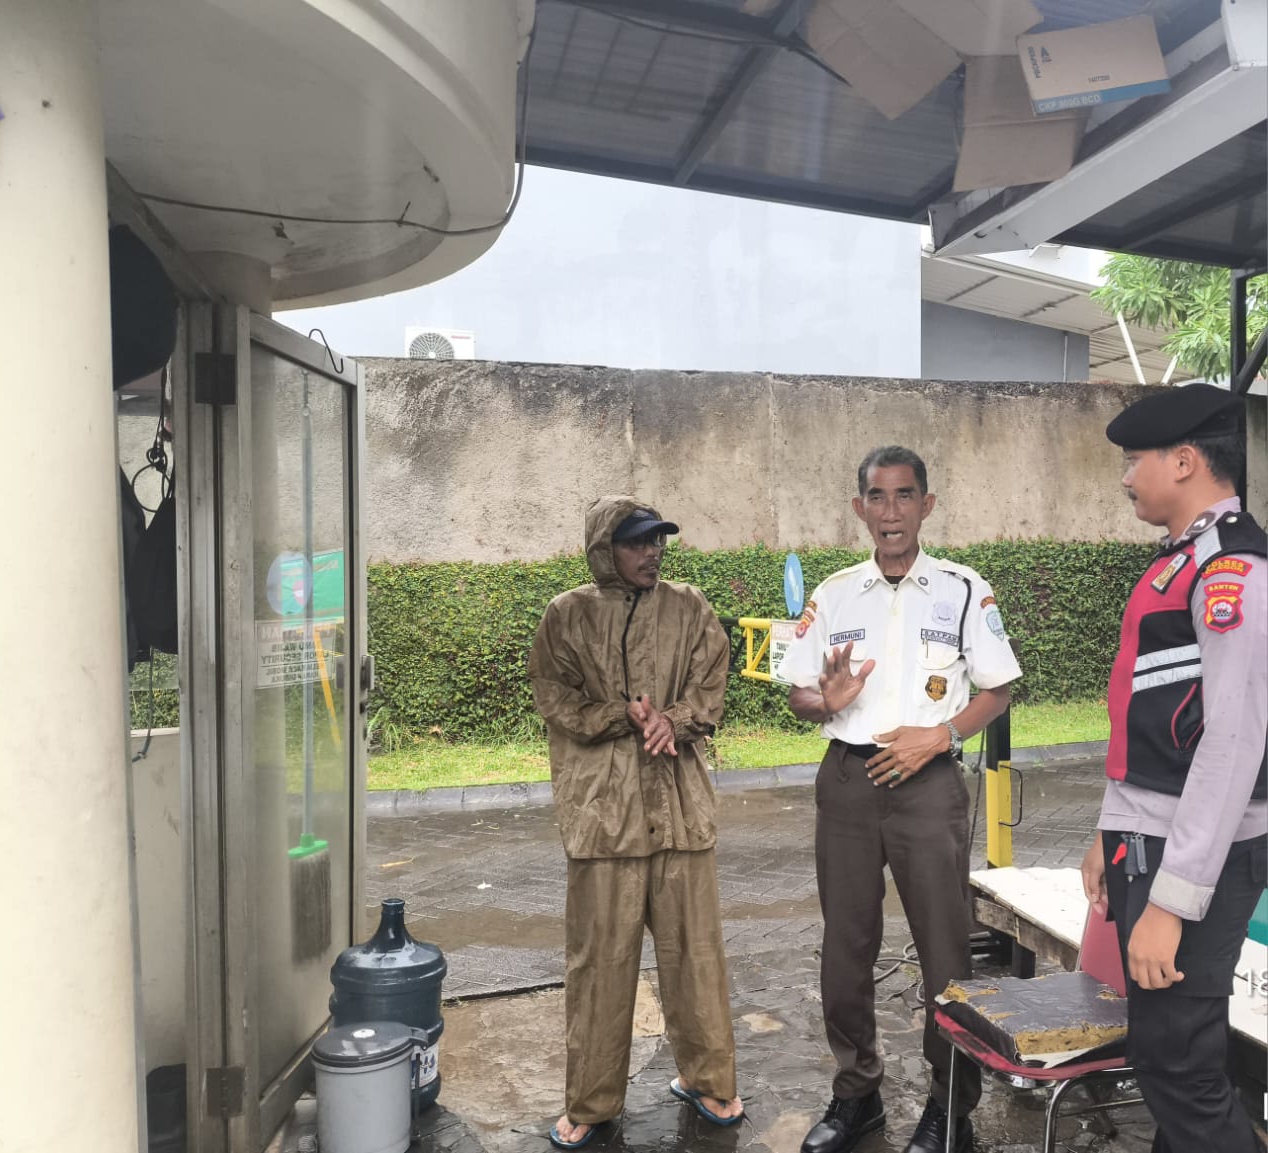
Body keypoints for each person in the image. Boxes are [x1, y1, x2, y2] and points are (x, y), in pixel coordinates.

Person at [778, 446, 1022, 1153]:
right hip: (848, 784)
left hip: (928, 786)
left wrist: (941, 736)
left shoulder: (962, 589)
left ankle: (951, 1108)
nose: (891, 511)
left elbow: (998, 689)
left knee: (945, 949)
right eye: (878, 497)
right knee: (845, 948)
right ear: (860, 508)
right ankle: (857, 1094)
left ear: (926, 505)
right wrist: (825, 701)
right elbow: (799, 694)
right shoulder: (835, 594)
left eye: (905, 495)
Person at [1079, 383, 1267, 1152]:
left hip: (1190, 860)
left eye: (1136, 460)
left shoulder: (1231, 570)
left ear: (1185, 460)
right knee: (1174, 1053)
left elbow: (1232, 743)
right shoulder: (1182, 560)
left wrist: (1172, 902)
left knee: (1176, 1065)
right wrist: (1108, 830)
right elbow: (1150, 723)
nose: (1127, 477)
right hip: (1147, 840)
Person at [528, 496, 743, 1148]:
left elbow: (711, 681)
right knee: (600, 964)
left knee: (696, 955)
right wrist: (619, 714)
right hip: (604, 816)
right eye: (636, 542)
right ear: (605, 549)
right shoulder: (567, 615)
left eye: (657, 541)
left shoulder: (689, 606)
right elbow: (554, 695)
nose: (651, 553)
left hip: (680, 812)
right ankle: (591, 1102)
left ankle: (710, 1080)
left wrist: (673, 720)